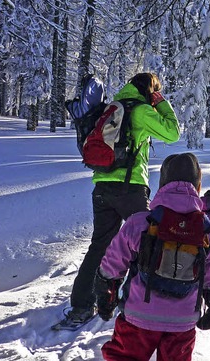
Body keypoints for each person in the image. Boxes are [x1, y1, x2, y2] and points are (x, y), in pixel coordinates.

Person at [59, 72, 180, 328]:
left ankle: (81, 305)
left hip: (101, 187)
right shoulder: (141, 110)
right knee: (146, 245)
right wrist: (160, 102)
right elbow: (173, 133)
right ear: (149, 90)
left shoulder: (113, 106)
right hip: (131, 188)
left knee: (99, 246)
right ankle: (136, 303)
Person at [93, 152, 210, 361]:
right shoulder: (207, 231)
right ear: (198, 185)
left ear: (163, 184)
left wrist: (106, 294)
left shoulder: (141, 222)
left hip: (138, 315)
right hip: (183, 321)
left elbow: (113, 263)